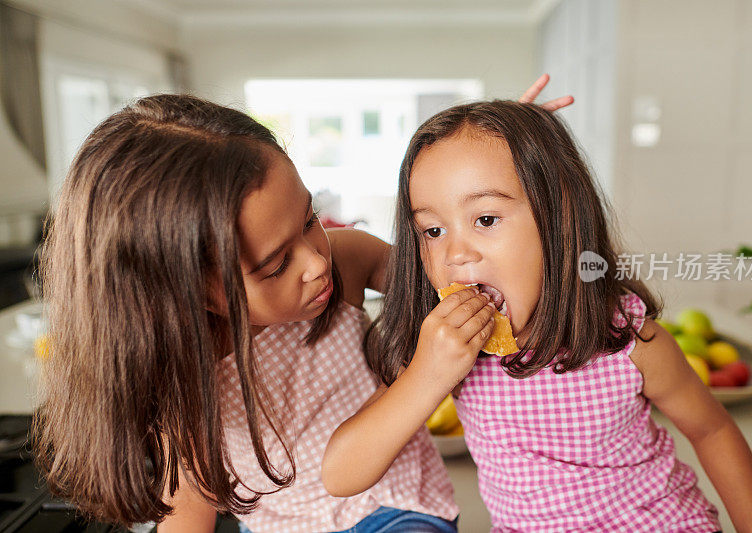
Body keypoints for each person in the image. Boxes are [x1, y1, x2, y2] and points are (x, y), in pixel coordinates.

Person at [34, 79, 573, 533]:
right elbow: (188, 513)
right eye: (273, 265)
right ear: (185, 290)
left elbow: (449, 272)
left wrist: (503, 178)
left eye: (310, 219)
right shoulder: (182, 376)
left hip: (398, 508)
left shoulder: (344, 262)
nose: (315, 261)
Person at [322, 101, 752, 532]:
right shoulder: (440, 353)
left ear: (557, 221)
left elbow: (713, 429)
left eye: (485, 220)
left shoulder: (626, 338)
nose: (456, 252)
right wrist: (426, 374)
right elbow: (341, 475)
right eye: (433, 230)